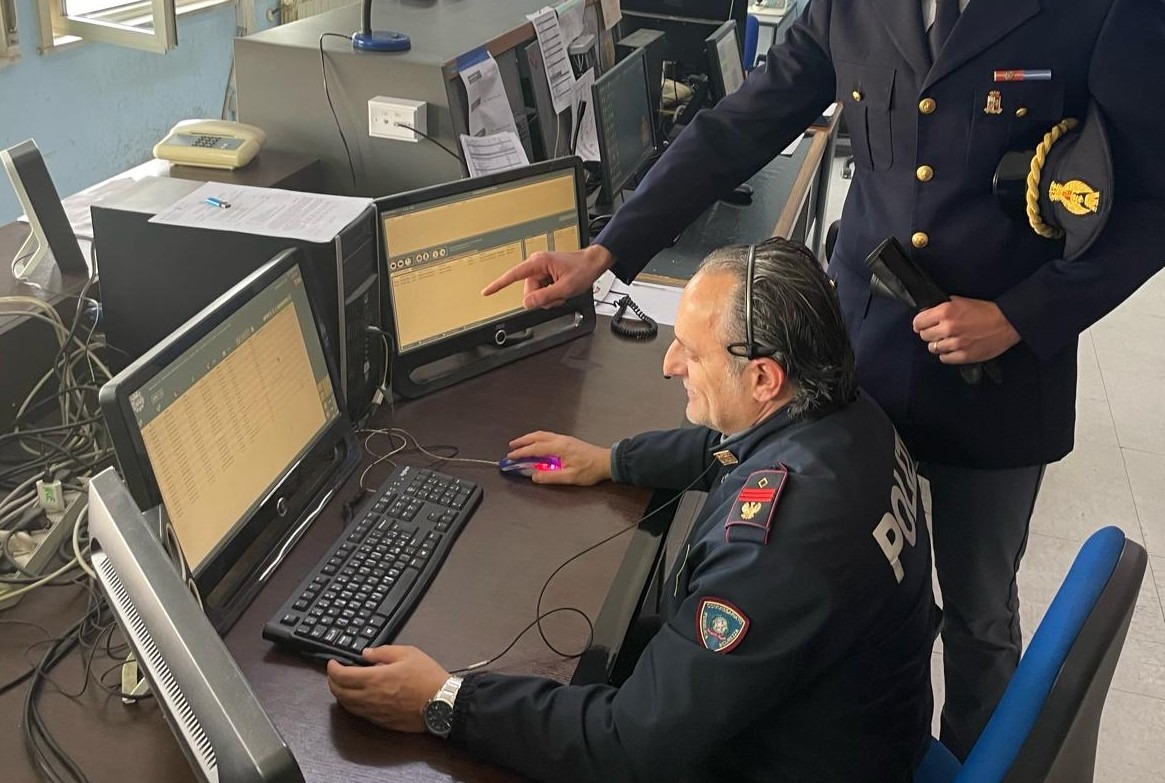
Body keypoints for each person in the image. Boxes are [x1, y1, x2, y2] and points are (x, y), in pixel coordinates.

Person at [480, 0, 1165, 759]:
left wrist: (1019, 315)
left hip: (998, 373)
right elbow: (739, 124)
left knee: (979, 617)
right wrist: (606, 251)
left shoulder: (1106, 11)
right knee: (848, 584)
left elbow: (1150, 204)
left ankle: (974, 760)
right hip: (863, 351)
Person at [328, 239, 936, 783]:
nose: (670, 364)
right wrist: (611, 460)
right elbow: (732, 445)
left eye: (691, 353)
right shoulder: (845, 413)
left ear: (762, 379)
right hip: (852, 726)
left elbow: (629, 746)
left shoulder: (775, 549)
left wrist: (445, 701)